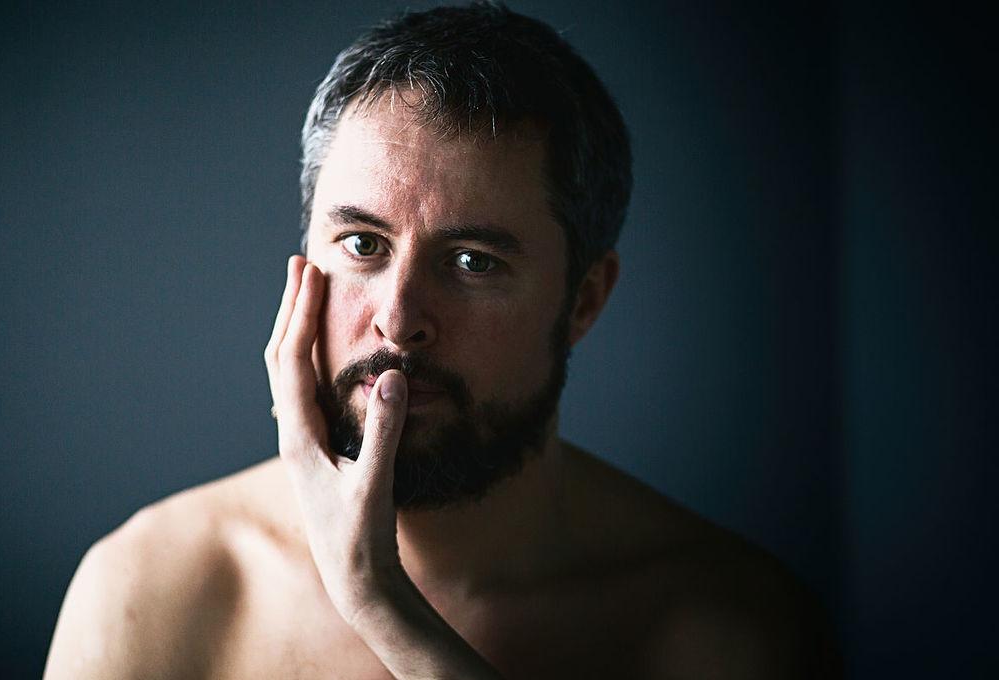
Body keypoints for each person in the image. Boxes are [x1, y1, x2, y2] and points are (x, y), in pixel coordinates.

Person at [44, 3, 838, 678]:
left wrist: (380, 606)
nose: (398, 319)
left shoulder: (731, 631)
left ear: (584, 300)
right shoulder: (150, 591)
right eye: (362, 244)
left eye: (472, 262)